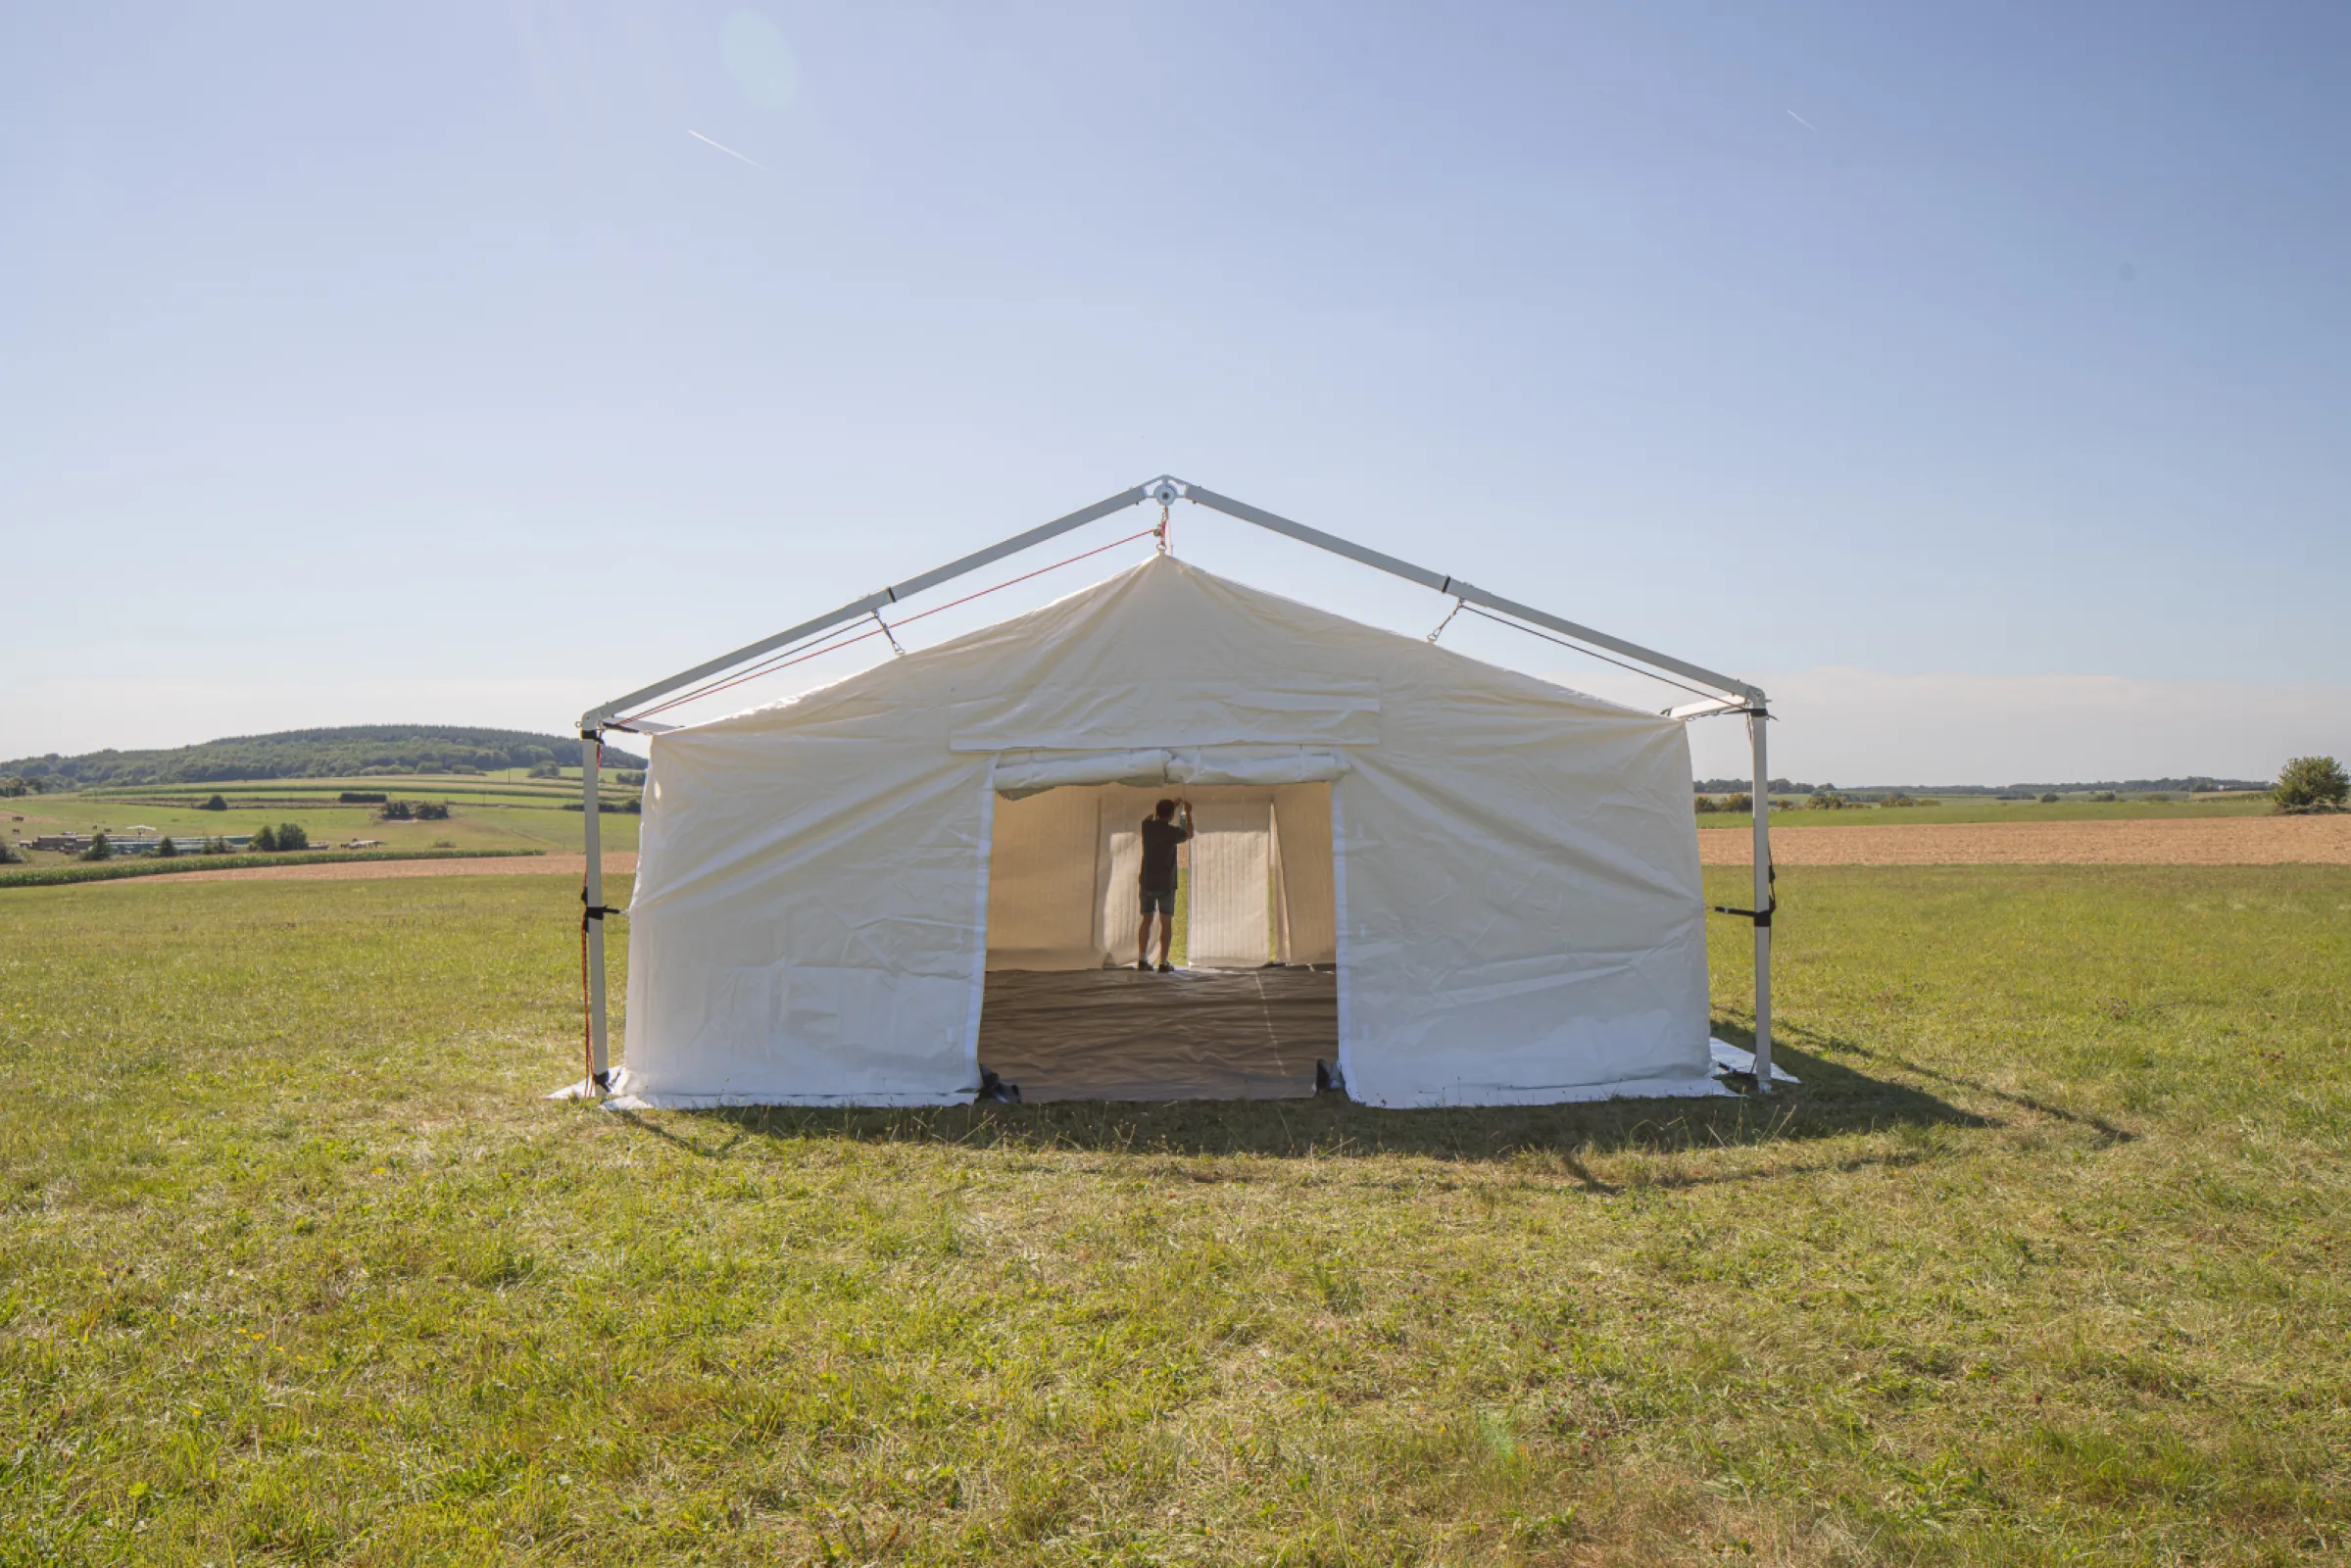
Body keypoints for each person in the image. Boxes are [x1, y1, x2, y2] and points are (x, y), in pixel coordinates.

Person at [1135, 796, 1193, 972]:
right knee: (1166, 921)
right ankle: (1163, 962)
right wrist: (1187, 812)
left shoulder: (1147, 827)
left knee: (1146, 919)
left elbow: (1149, 818)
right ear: (1171, 815)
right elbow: (1189, 833)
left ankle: (1142, 959)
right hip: (1166, 884)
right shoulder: (1171, 833)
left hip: (1147, 881)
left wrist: (1169, 807)